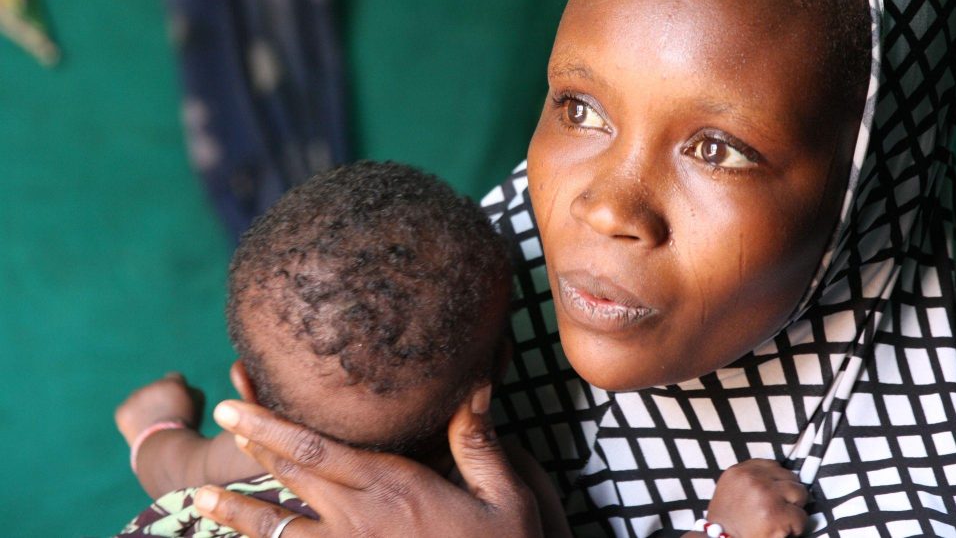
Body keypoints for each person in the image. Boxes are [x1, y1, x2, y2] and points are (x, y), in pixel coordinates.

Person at [184, 0, 956, 538]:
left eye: (718, 148)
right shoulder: (435, 335)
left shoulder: (905, 503)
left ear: (867, 195)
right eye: (580, 109)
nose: (609, 207)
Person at [114, 160, 806, 538]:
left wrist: (154, 424)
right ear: (506, 360)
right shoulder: (502, 502)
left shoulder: (244, 456)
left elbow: (170, 466)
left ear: (251, 396)